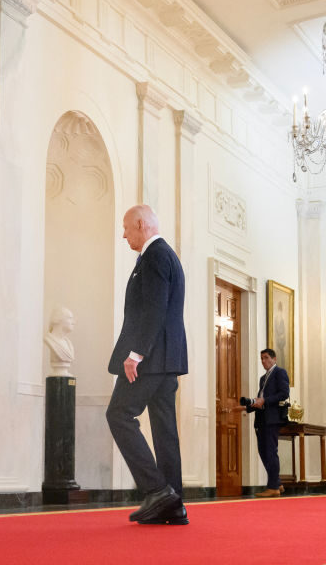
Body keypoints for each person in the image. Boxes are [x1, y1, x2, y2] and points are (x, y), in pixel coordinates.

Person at [105, 205, 189, 525]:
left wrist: (136, 353)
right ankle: (173, 504)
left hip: (151, 359)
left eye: (126, 227)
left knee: (119, 414)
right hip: (167, 359)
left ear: (142, 224)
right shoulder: (165, 256)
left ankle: (157, 490)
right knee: (164, 429)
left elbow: (154, 309)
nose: (124, 234)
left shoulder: (155, 256)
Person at [243, 348, 290, 498]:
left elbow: (284, 393)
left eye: (266, 358)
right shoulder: (263, 378)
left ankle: (273, 487)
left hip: (272, 418)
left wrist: (265, 400)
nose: (263, 361)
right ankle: (277, 482)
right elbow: (260, 399)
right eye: (261, 358)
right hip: (261, 419)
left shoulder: (279, 372)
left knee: (270, 452)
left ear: (274, 359)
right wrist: (246, 407)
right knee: (263, 452)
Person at [44, 306, 76, 376]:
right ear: (57, 319)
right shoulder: (49, 340)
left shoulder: (68, 343)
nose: (74, 322)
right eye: (70, 318)